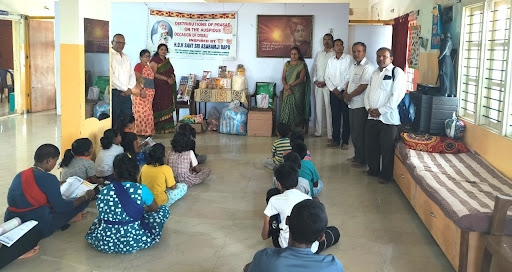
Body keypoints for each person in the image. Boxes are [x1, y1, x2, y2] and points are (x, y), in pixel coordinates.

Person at [5, 144, 95, 238]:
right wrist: (85, 196)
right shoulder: (49, 178)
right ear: (49, 160)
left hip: (12, 219)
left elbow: (34, 188)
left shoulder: (21, 174)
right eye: (55, 160)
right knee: (79, 201)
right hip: (35, 222)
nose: (55, 164)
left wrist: (57, 184)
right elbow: (62, 207)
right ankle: (69, 219)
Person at [85, 152, 170, 253]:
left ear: (115, 173)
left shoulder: (104, 190)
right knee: (163, 210)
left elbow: (103, 211)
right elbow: (154, 209)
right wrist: (140, 208)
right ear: (136, 172)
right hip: (132, 240)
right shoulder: (141, 189)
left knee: (100, 218)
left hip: (105, 241)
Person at [245, 199, 343, 272]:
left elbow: (247, 269)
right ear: (321, 237)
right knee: (334, 232)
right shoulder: (334, 266)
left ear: (287, 221)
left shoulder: (263, 257)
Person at [262, 164, 338, 254]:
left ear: (278, 184)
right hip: (311, 249)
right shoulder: (308, 199)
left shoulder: (274, 200)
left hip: (283, 246)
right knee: (334, 231)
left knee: (274, 215)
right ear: (297, 182)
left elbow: (264, 236)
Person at [364, 47, 406, 184]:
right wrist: (369, 108)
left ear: (391, 59)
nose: (380, 59)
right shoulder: (374, 73)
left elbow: (396, 97)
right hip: (372, 116)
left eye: (384, 56)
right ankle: (373, 170)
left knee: (386, 148)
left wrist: (380, 111)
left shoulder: (397, 73)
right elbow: (367, 93)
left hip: (388, 119)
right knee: (371, 146)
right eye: (378, 56)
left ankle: (386, 175)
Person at [343, 42, 374, 168]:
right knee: (354, 132)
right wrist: (345, 92)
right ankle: (357, 156)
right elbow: (349, 81)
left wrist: (350, 95)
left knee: (359, 133)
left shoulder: (368, 67)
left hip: (360, 105)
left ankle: (363, 160)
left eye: (359, 51)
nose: (356, 54)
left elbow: (363, 85)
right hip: (351, 104)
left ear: (364, 52)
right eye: (354, 51)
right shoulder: (353, 65)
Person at [325, 39, 353, 149]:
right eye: (337, 45)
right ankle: (335, 139)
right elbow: (326, 76)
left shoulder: (348, 59)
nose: (339, 47)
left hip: (345, 91)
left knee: (346, 117)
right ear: (333, 47)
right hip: (333, 92)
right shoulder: (330, 60)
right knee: (335, 116)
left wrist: (340, 89)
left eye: (341, 45)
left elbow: (349, 76)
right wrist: (334, 90)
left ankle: (345, 141)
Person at [280, 47, 311, 132]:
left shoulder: (302, 65)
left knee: (297, 108)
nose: (293, 56)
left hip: (297, 90)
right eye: (292, 54)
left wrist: (290, 85)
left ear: (298, 55)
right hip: (287, 89)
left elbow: (301, 79)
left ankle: (297, 129)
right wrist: (286, 85)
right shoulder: (287, 64)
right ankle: (285, 129)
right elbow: (283, 77)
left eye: (295, 54)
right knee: (286, 108)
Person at [111, 34, 136, 127]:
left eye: (123, 43)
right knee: (116, 119)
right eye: (118, 43)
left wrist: (129, 88)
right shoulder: (110, 56)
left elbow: (131, 74)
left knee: (127, 118)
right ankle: (117, 140)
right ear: (112, 42)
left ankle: (126, 140)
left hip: (127, 93)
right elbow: (111, 77)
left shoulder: (126, 57)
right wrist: (125, 89)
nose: (120, 45)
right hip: (115, 93)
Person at [312, 33, 335, 138]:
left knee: (328, 109)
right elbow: (315, 68)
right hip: (318, 85)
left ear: (332, 41)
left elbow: (334, 72)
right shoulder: (319, 53)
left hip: (328, 86)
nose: (326, 42)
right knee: (318, 108)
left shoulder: (334, 54)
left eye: (328, 40)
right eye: (324, 39)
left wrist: (325, 82)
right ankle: (318, 131)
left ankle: (330, 134)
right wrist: (315, 80)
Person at [150, 43, 176, 134]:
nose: (163, 51)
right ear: (158, 50)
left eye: (165, 50)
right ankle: (159, 128)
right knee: (160, 105)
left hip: (168, 87)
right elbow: (152, 74)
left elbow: (171, 71)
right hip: (159, 87)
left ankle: (168, 127)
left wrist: (172, 78)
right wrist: (166, 79)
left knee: (167, 105)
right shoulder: (154, 60)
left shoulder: (167, 61)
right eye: (161, 49)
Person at [133, 49, 156, 137]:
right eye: (146, 56)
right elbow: (136, 79)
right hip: (142, 92)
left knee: (148, 112)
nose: (148, 58)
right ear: (141, 57)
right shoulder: (139, 66)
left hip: (149, 93)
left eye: (149, 56)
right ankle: (140, 131)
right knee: (141, 112)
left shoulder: (148, 66)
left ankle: (147, 131)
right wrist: (142, 90)